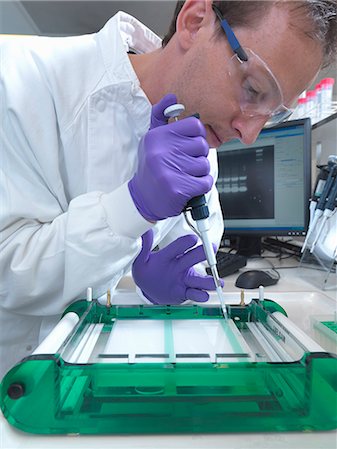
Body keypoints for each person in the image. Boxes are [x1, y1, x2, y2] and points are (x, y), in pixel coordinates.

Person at [0, 0, 336, 377]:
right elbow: (8, 276)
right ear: (194, 22)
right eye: (254, 88)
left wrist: (155, 288)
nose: (249, 134)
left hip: (111, 381)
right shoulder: (15, 77)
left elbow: (194, 258)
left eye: (273, 113)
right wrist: (132, 207)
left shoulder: (201, 141)